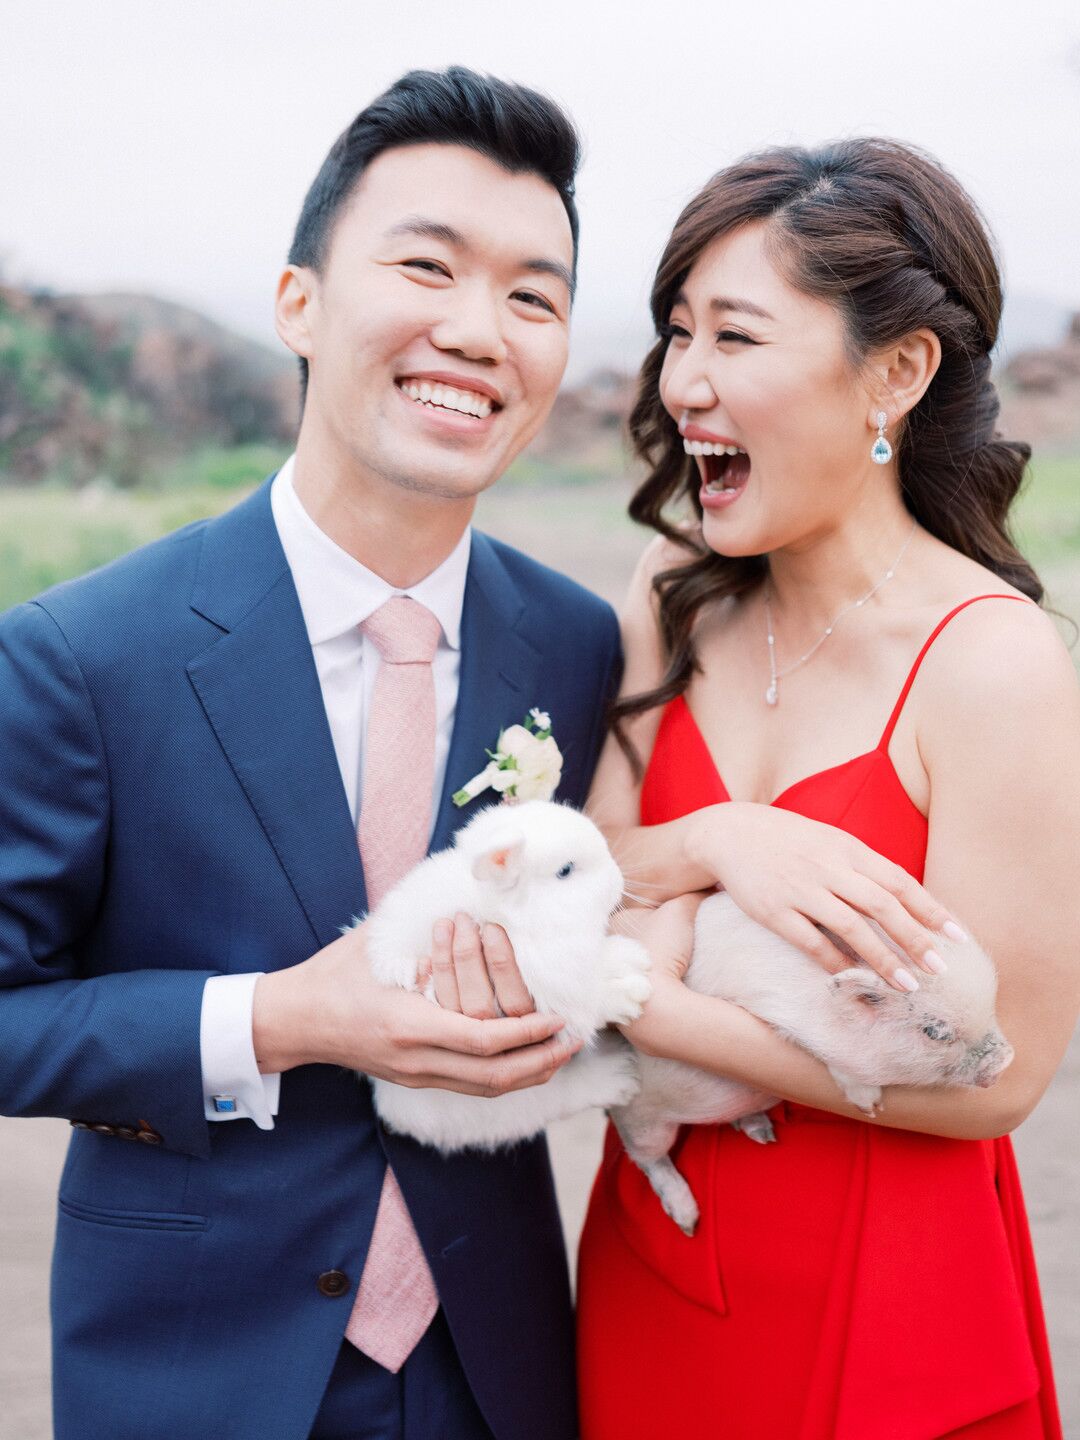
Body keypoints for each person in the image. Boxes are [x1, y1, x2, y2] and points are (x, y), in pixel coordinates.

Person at [0, 67, 616, 1440]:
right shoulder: (80, 652)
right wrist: (277, 1020)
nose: (479, 329)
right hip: (190, 1377)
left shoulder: (578, 646)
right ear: (299, 303)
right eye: (426, 266)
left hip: (498, 1377)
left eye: (534, 295)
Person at [576, 139, 1080, 1439]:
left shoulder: (993, 665)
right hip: (656, 1265)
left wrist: (653, 1014)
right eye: (677, 332)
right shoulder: (672, 597)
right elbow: (584, 868)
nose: (685, 381)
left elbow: (1003, 1078)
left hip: (888, 1306)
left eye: (735, 337)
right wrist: (721, 841)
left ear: (898, 373)